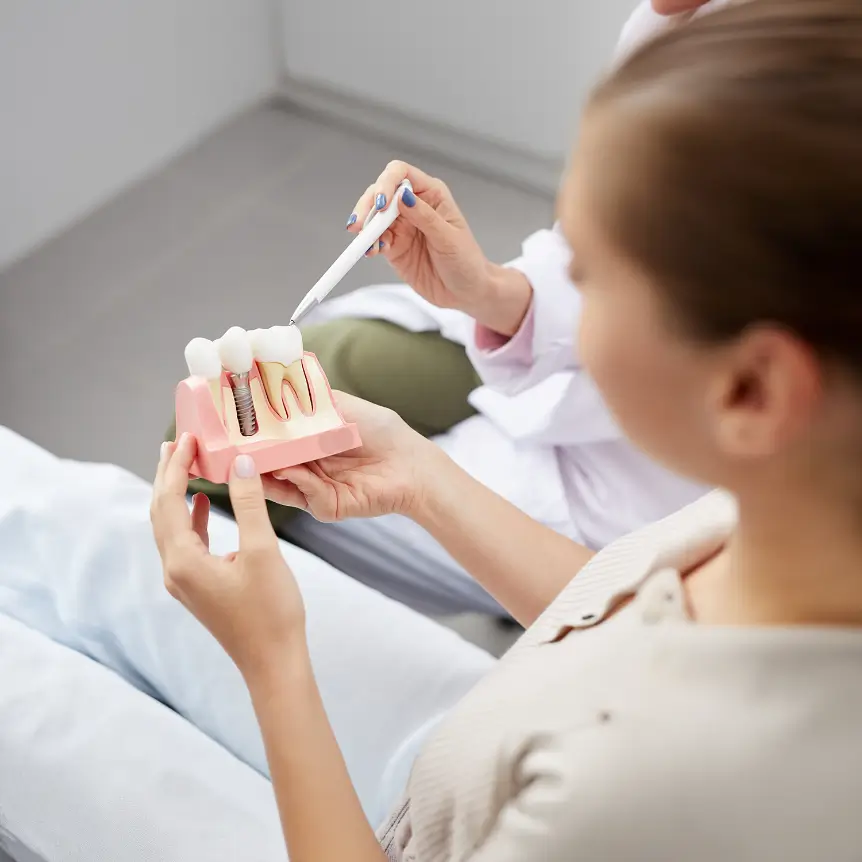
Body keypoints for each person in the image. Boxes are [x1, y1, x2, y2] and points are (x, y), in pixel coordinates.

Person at [152, 1, 862, 859]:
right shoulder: (779, 522)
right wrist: (420, 476)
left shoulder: (630, 796)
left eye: (594, 275)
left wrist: (274, 662)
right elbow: (622, 606)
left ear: (751, 390)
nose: (571, 286)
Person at [170, 0, 725, 618]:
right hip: (564, 380)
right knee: (268, 394)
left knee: (222, 467)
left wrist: (276, 659)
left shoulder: (712, 583)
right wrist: (488, 290)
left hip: (616, 501)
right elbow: (588, 253)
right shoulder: (679, 25)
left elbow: (621, 619)